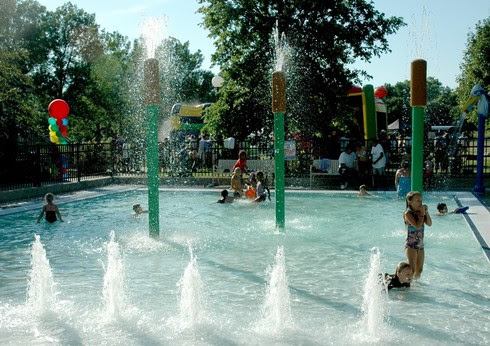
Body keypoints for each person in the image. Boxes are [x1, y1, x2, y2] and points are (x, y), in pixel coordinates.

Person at [404, 191, 432, 279]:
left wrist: (426, 212)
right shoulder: (407, 213)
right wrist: (422, 213)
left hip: (420, 245)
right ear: (410, 202)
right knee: (411, 270)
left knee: (419, 270)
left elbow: (429, 223)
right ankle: (407, 286)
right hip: (411, 245)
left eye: (421, 200)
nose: (420, 202)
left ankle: (416, 287)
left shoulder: (420, 212)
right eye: (418, 200)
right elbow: (417, 226)